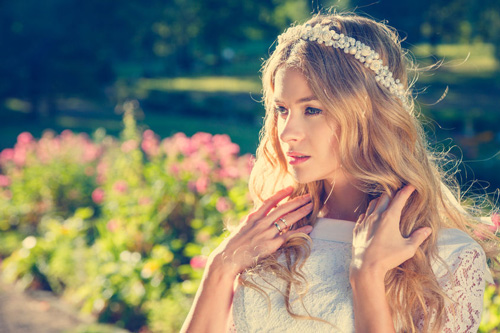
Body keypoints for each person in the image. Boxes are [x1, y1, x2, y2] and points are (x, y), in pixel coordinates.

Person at [181, 12, 499, 332]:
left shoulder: (447, 255)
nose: (288, 131)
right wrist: (221, 267)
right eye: (282, 109)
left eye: (312, 109)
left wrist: (367, 275)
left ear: (369, 114)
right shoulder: (271, 238)